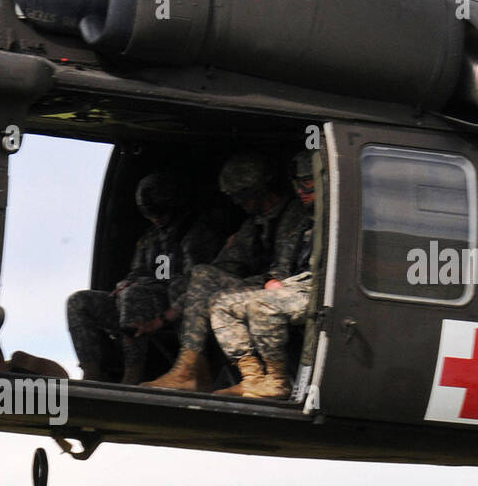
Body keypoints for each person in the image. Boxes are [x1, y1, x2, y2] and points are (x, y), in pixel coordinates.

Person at [141, 152, 302, 391]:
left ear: (255, 190)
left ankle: (188, 370)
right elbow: (221, 268)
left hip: (287, 289)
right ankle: (200, 369)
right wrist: (164, 318)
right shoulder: (254, 225)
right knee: (185, 283)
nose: (238, 202)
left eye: (241, 195)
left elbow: (282, 273)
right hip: (263, 286)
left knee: (209, 283)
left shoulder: (293, 215)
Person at [66, 170, 197, 385]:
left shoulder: (193, 234)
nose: (156, 218)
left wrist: (139, 288)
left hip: (175, 306)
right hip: (140, 299)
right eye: (150, 214)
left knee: (134, 295)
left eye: (159, 212)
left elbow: (194, 281)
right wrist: (124, 285)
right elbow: (137, 272)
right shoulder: (151, 238)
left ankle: (132, 374)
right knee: (79, 302)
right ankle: (92, 372)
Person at [210, 152, 317, 399]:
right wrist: (274, 281)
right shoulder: (304, 219)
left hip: (319, 290)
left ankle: (278, 381)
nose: (301, 190)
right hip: (295, 286)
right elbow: (284, 259)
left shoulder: (334, 217)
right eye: (297, 184)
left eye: (308, 184)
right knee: (221, 303)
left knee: (262, 305)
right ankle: (253, 378)